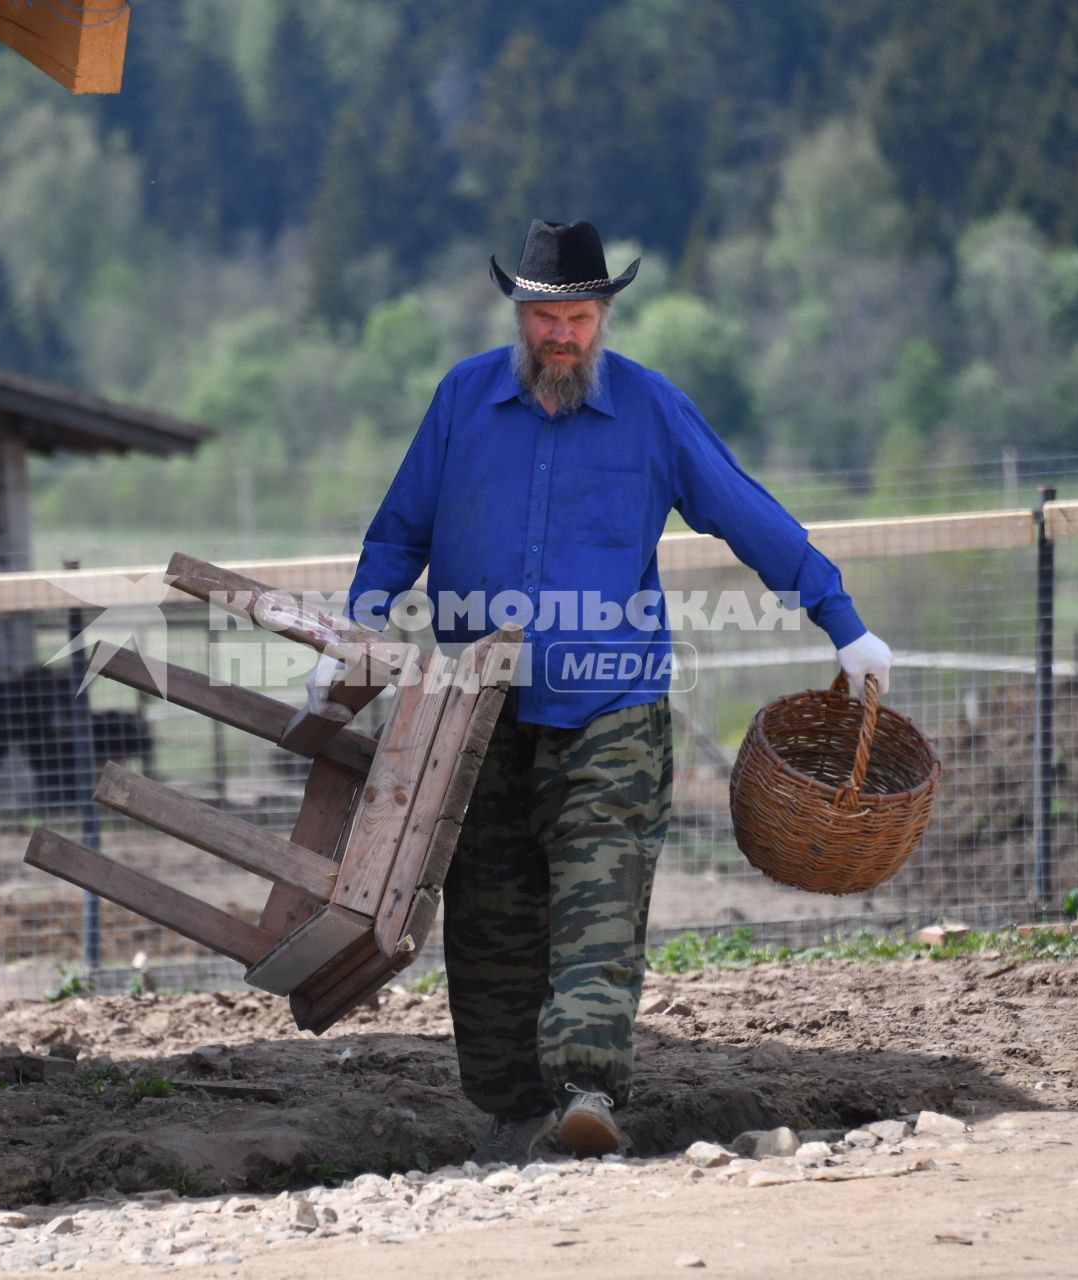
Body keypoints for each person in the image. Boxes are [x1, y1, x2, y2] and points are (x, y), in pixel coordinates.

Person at [307, 219, 893, 1164]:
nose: (561, 337)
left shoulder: (654, 412)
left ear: (604, 315)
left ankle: (585, 1092)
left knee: (599, 899)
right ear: (519, 315)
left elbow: (748, 513)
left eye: (578, 317)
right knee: (491, 915)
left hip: (610, 709)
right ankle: (508, 1112)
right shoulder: (461, 401)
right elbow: (397, 531)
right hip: (477, 710)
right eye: (544, 319)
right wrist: (357, 625)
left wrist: (842, 618)